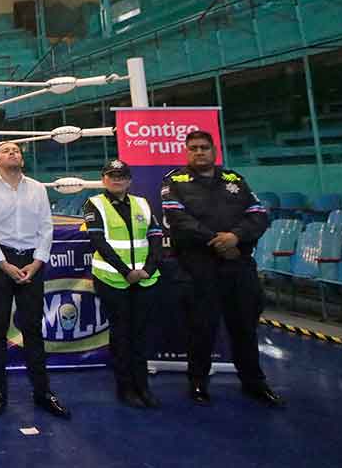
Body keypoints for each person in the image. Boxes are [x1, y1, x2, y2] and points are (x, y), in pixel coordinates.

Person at [161, 130, 284, 408]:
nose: (199, 152)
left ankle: (254, 382)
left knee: (244, 327)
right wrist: (216, 240)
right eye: (193, 148)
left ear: (214, 150)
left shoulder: (234, 180)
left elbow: (257, 214)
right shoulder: (174, 181)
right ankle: (197, 382)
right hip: (198, 266)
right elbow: (177, 218)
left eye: (204, 147)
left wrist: (236, 237)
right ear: (186, 151)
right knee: (201, 328)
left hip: (238, 263)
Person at [0, 142, 70, 419]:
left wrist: (37, 262)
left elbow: (46, 227)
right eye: (6, 151)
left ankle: (43, 392)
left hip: (32, 263)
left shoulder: (38, 188)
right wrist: (2, 264)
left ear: (23, 160)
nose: (13, 153)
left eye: (16, 150)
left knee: (33, 331)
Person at [82, 159, 163, 409]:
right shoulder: (94, 204)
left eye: (122, 175)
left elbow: (156, 237)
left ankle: (143, 387)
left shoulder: (142, 203)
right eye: (111, 175)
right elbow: (99, 242)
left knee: (140, 333)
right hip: (112, 279)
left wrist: (147, 269)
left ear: (129, 180)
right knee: (121, 334)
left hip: (145, 279)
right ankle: (125, 387)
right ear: (104, 179)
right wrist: (126, 271)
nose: (117, 179)